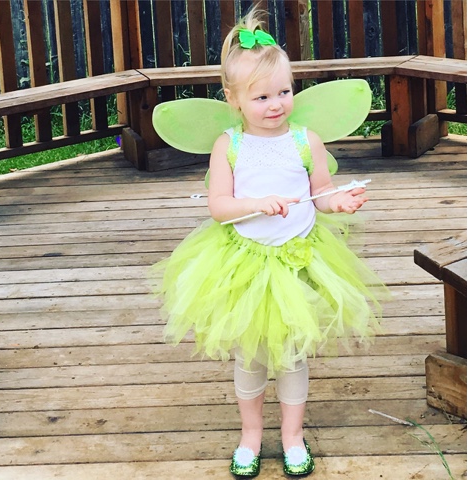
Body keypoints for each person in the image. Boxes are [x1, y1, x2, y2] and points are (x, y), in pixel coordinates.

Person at [153, 7, 387, 478]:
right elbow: (219, 206)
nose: (276, 104)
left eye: (284, 92)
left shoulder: (305, 140)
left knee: (293, 353)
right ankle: (251, 435)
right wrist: (256, 204)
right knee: (251, 355)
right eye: (261, 96)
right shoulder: (230, 145)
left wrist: (338, 203)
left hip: (299, 258)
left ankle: (293, 435)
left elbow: (320, 193)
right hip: (245, 262)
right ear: (234, 99)